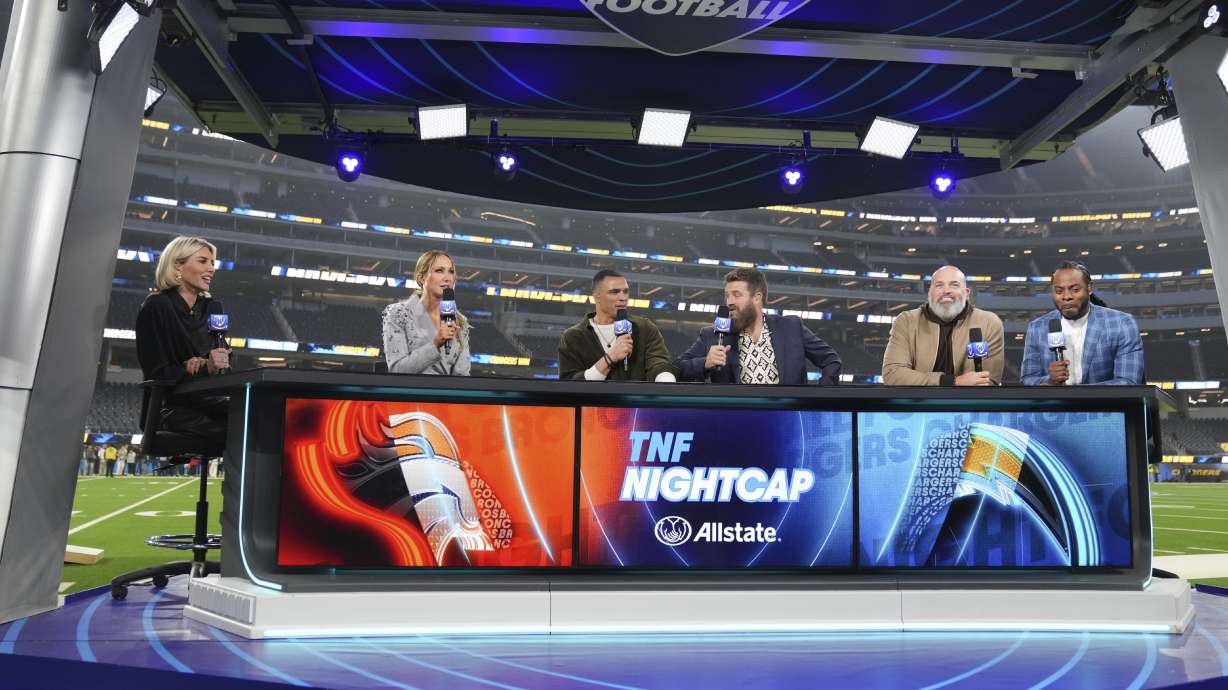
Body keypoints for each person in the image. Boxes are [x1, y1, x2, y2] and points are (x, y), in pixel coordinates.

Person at [135, 236, 231, 448]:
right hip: (168, 408)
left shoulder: (213, 308)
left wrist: (217, 362)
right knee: (239, 432)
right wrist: (193, 368)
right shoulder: (156, 306)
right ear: (178, 265)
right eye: (203, 261)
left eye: (213, 263)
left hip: (209, 401)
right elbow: (157, 373)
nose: (212, 269)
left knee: (259, 418)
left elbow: (222, 364)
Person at [675, 267, 841, 385]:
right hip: (740, 422)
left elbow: (831, 360)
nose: (729, 301)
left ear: (757, 297)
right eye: (727, 296)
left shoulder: (791, 327)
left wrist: (818, 398)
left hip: (787, 420)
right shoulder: (713, 334)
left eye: (736, 295)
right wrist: (704, 362)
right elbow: (676, 369)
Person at [1021, 261, 1143, 385]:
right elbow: (1028, 379)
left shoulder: (1121, 323)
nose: (1066, 296)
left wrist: (1077, 396)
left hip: (1105, 404)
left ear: (1089, 288)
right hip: (1055, 404)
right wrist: (1049, 380)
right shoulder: (1037, 328)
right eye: (1059, 291)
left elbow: (1128, 382)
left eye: (1075, 289)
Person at [882, 265, 1004, 386]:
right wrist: (952, 382)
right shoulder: (906, 321)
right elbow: (893, 374)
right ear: (930, 293)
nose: (946, 291)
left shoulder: (989, 322)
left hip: (968, 404)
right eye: (939, 285)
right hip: (917, 403)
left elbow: (988, 380)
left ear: (967, 293)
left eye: (954, 285)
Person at [558, 269, 677, 382]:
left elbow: (659, 364)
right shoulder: (573, 337)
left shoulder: (644, 328)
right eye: (614, 292)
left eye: (625, 291)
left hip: (635, 403)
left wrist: (667, 382)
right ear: (597, 296)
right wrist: (610, 358)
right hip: (594, 402)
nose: (623, 298)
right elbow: (570, 382)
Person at [382, 250, 471, 376]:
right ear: (421, 277)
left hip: (445, 394)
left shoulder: (459, 321)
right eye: (439, 270)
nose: (447, 278)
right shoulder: (398, 313)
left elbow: (462, 376)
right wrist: (436, 344)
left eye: (451, 271)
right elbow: (397, 370)